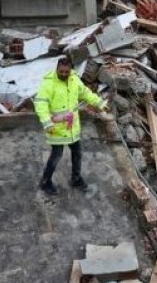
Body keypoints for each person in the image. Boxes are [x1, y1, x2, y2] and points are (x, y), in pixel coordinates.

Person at [33, 57, 107, 196]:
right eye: (61, 71)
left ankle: (76, 178)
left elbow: (85, 93)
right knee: (56, 156)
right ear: (57, 68)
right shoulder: (48, 84)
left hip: (72, 127)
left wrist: (99, 103)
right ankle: (45, 181)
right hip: (57, 128)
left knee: (77, 153)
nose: (64, 74)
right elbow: (40, 103)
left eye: (66, 72)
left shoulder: (74, 80)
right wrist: (46, 122)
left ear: (71, 70)